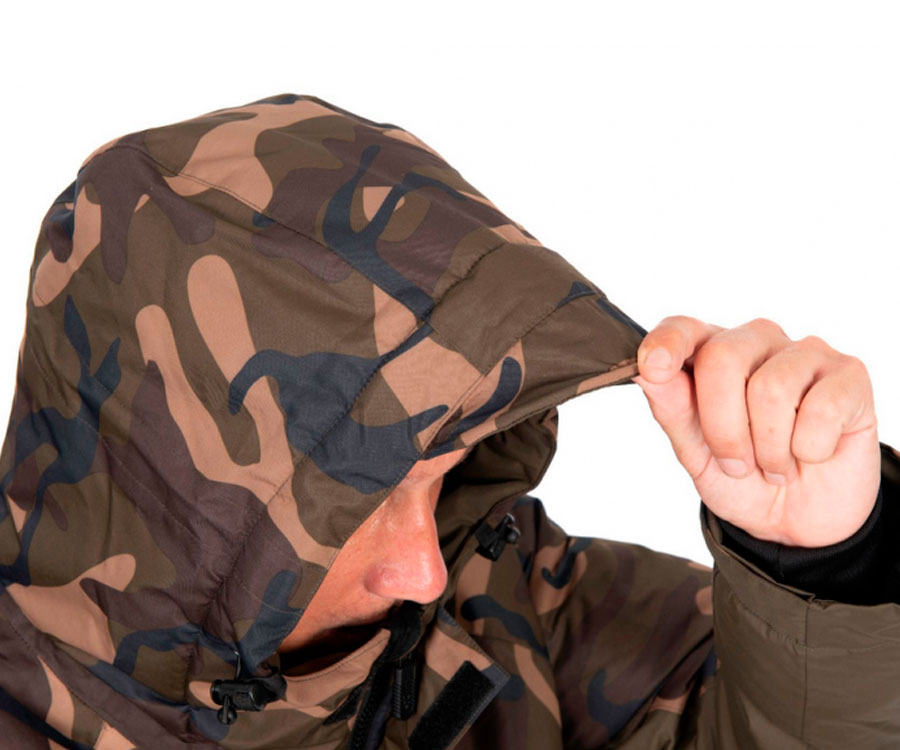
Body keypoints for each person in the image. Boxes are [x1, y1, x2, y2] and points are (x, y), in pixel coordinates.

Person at [0, 93, 896, 750]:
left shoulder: (510, 611)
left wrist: (826, 565)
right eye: (363, 498)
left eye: (443, 475)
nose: (423, 570)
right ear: (183, 506)